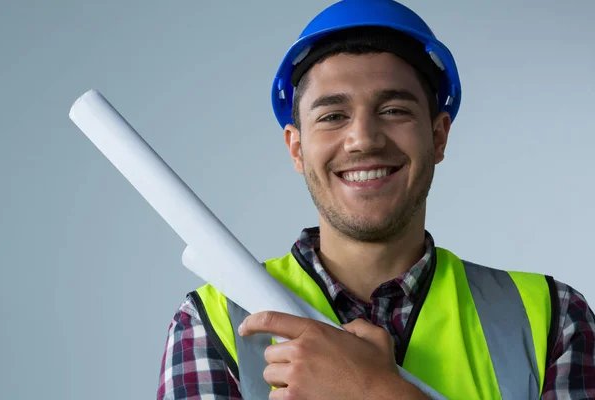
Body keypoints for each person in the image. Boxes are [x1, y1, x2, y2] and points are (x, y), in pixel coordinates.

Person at [156, 0, 595, 398]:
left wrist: (373, 390)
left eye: (394, 111)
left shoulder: (550, 316)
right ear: (296, 147)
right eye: (332, 116)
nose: (362, 139)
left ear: (438, 136)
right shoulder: (212, 325)